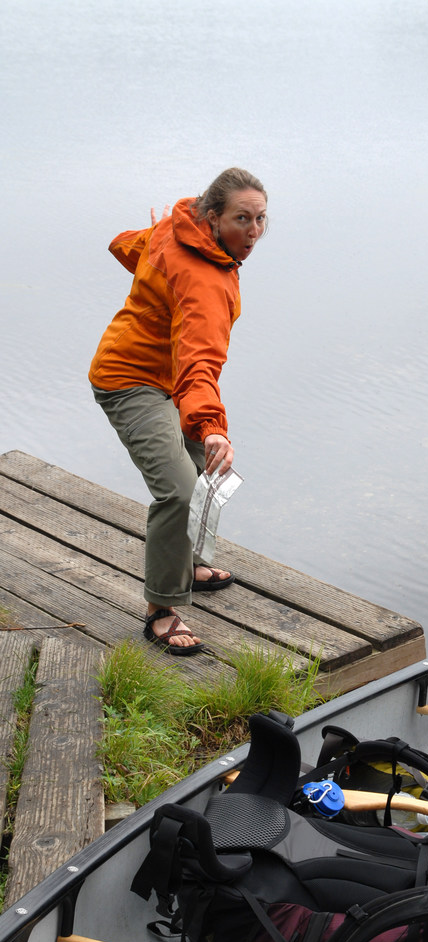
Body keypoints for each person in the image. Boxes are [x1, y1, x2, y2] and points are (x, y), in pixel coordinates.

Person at [89, 167, 268, 655]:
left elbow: (125, 244)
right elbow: (199, 362)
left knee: (201, 471)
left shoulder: (178, 224)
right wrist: (211, 426)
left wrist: (153, 246)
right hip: (130, 380)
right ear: (212, 217)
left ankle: (188, 562)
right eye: (241, 219)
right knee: (179, 488)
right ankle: (161, 608)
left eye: (260, 219)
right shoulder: (205, 280)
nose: (253, 232)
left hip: (170, 378)